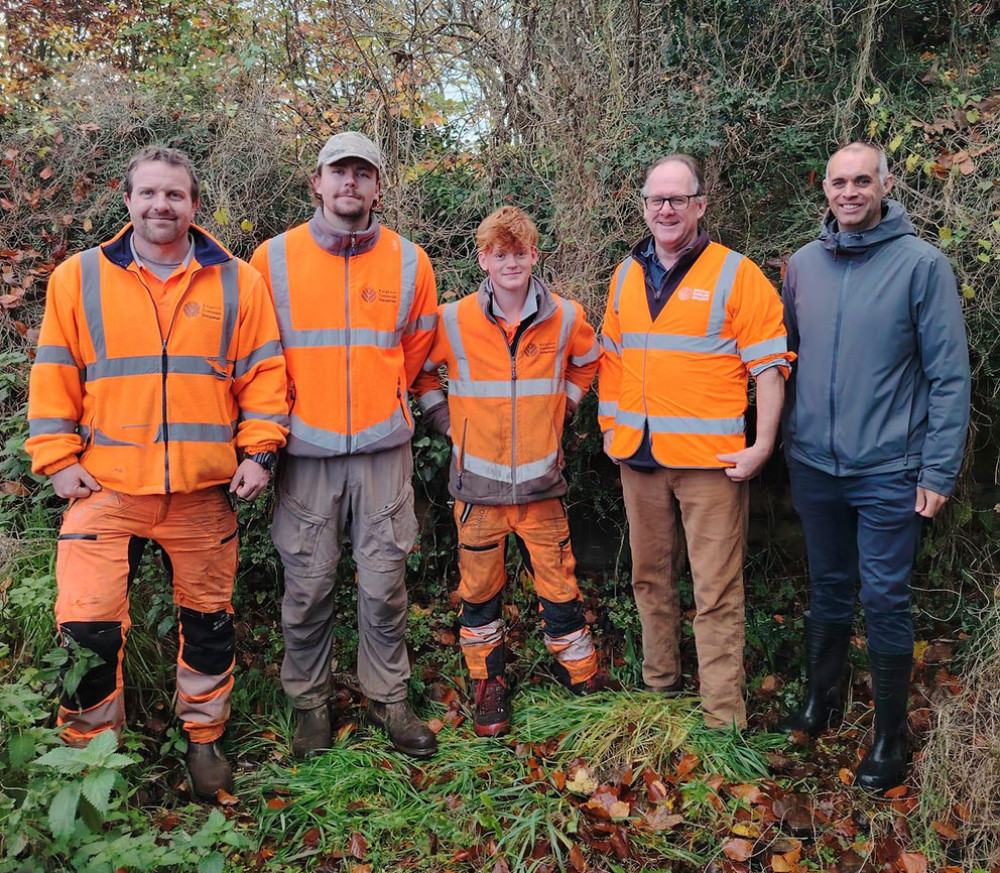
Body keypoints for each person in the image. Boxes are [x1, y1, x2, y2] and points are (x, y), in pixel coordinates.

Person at [25, 145, 289, 799]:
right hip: (105, 487)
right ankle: (91, 762)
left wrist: (259, 453)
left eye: (174, 194)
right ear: (127, 200)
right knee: (86, 628)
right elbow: (54, 373)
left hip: (203, 492)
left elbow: (264, 376)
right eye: (148, 193)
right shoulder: (79, 279)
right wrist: (57, 460)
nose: (161, 204)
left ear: (194, 204)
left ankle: (204, 741)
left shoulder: (237, 280)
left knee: (208, 623)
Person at [779, 141, 970, 791]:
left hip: (890, 467)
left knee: (885, 596)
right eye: (839, 181)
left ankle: (889, 737)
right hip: (814, 464)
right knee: (828, 586)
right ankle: (821, 702)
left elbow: (949, 376)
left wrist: (938, 471)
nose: (850, 191)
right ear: (825, 189)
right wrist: (786, 441)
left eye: (863, 180)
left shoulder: (923, 267)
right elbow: (787, 360)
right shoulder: (802, 266)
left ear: (885, 183)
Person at [250, 131, 439, 759]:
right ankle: (310, 705)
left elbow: (413, 355)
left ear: (378, 186)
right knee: (307, 586)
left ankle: (388, 697)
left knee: (385, 584)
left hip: (384, 453)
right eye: (340, 172)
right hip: (304, 456)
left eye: (363, 173)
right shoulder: (270, 260)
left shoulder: (411, 262)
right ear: (318, 182)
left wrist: (384, 400)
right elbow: (256, 358)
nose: (350, 184)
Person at [598, 154, 792, 729]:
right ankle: (660, 690)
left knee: (716, 591)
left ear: (700, 206)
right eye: (656, 199)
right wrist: (611, 429)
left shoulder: (736, 274)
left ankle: (721, 718)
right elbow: (613, 357)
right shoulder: (626, 273)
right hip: (640, 458)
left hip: (712, 465)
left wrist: (762, 445)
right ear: (643, 206)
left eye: (677, 199)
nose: (665, 209)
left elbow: (770, 367)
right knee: (649, 579)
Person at [413, 206, 603, 736]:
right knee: (479, 591)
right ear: (484, 259)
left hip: (543, 489)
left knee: (560, 586)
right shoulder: (453, 320)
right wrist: (448, 423)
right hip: (478, 490)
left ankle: (580, 674)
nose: (511, 262)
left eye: (520, 253)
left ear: (534, 255)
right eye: (501, 254)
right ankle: (488, 682)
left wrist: (563, 406)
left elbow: (591, 359)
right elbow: (423, 376)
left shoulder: (565, 317)